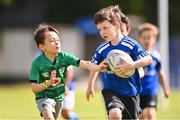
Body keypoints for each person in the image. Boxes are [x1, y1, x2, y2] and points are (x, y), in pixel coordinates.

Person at [86, 5, 153, 120]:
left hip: (131, 92)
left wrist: (132, 65)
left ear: (117, 26)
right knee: (115, 114)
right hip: (111, 90)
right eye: (99, 29)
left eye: (105, 28)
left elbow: (148, 59)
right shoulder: (102, 48)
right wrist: (96, 70)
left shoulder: (130, 44)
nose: (102, 32)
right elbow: (92, 65)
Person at [29, 23, 107, 120]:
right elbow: (34, 88)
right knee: (48, 116)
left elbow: (85, 63)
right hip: (44, 97)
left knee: (62, 115)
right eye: (52, 41)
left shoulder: (65, 57)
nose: (57, 42)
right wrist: (47, 83)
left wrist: (97, 67)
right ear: (42, 47)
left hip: (59, 97)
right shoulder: (37, 63)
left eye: (58, 40)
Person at [138, 23, 170, 120]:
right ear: (139, 38)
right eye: (144, 37)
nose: (147, 40)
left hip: (151, 92)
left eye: (149, 37)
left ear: (154, 39)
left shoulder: (156, 56)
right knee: (140, 117)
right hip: (137, 92)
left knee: (151, 114)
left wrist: (165, 89)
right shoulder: (136, 55)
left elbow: (161, 73)